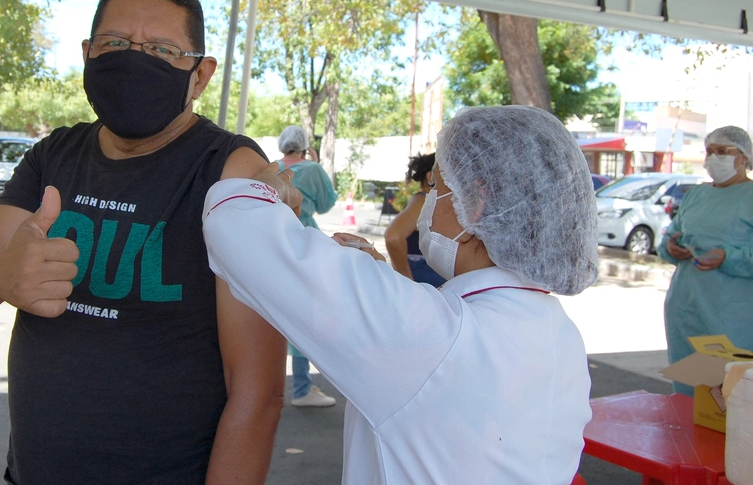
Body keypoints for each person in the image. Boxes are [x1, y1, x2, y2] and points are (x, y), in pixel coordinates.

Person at [0, 0, 286, 485]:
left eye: (163, 49)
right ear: (88, 53)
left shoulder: (229, 174)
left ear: (200, 75)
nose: (134, 60)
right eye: (115, 44)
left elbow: (258, 393)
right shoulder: (55, 155)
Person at [203, 105, 598, 484]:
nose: (426, 204)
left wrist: (266, 189)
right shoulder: (558, 332)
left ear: (475, 204)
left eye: (436, 188)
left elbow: (234, 225)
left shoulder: (430, 339)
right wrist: (381, 281)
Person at [658, 125, 753, 396]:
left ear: (744, 156)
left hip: (731, 314)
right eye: (709, 152)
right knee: (688, 390)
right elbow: (669, 238)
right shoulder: (697, 195)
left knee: (727, 395)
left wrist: (728, 257)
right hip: (685, 307)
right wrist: (671, 248)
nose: (713, 158)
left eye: (722, 151)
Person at [276, 124, 339, 408]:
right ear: (304, 145)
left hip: (272, 238)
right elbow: (327, 203)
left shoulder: (271, 167)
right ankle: (302, 388)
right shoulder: (312, 170)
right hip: (303, 239)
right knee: (305, 312)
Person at [384, 152, 446, 288]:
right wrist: (407, 280)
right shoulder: (422, 202)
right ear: (431, 177)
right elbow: (393, 236)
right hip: (422, 280)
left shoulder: (433, 202)